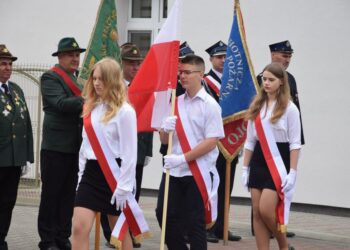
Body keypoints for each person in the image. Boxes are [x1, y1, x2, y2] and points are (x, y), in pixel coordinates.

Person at [155, 55, 225, 250]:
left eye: (187, 72)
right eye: (180, 72)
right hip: (174, 171)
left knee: (195, 223)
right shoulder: (175, 102)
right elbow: (164, 141)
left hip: (197, 170)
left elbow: (212, 141)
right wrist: (164, 129)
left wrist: (182, 158)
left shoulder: (210, 105)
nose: (182, 76)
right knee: (164, 214)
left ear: (200, 74)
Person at [72, 58, 136, 250]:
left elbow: (130, 153)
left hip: (114, 176)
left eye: (102, 79)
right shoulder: (91, 108)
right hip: (91, 174)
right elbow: (85, 147)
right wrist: (81, 176)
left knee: (119, 235)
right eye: (95, 78)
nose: (97, 83)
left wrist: (124, 187)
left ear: (113, 80)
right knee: (78, 228)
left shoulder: (125, 112)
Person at [242, 62, 301, 250]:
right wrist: (245, 168)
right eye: (264, 79)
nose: (266, 83)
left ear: (281, 82)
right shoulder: (257, 106)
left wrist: (292, 171)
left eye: (271, 80)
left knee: (266, 210)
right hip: (259, 159)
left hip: (279, 161)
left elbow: (295, 143)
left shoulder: (290, 108)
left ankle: (283, 245)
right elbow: (250, 141)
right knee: (257, 214)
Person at [253, 40, 305, 238]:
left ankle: (278, 227)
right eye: (284, 55)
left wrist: (298, 140)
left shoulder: (290, 79)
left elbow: (295, 112)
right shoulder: (261, 79)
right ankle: (266, 229)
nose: (287, 59)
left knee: (278, 197)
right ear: (273, 55)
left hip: (283, 148)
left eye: (289, 56)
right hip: (264, 148)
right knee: (260, 209)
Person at [38, 37, 85, 250]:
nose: (75, 58)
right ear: (60, 57)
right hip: (55, 147)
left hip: (74, 146)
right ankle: (47, 240)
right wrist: (88, 99)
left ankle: (62, 236)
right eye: (71, 55)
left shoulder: (77, 80)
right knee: (51, 195)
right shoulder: (50, 77)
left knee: (68, 195)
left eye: (77, 55)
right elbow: (60, 104)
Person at [204, 41, 241, 242]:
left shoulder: (234, 83)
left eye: (227, 57)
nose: (224, 60)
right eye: (219, 57)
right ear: (211, 59)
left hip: (231, 141)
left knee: (227, 185)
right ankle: (207, 225)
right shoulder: (205, 82)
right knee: (212, 186)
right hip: (213, 143)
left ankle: (221, 226)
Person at [0, 44, 34, 250]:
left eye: (10, 64)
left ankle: (1, 237)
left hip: (13, 159)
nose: (7, 68)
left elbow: (26, 124)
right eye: (3, 63)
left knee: (7, 202)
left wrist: (27, 157)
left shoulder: (17, 90)